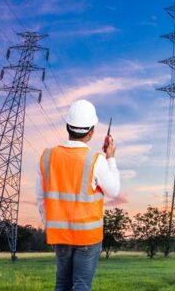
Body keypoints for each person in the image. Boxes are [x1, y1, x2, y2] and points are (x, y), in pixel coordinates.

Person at [36, 99, 120, 291]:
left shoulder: (47, 157)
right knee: (81, 286)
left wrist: (51, 228)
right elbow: (114, 190)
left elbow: (41, 200)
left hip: (60, 235)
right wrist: (110, 157)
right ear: (91, 132)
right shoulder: (96, 160)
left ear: (67, 126)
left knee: (62, 284)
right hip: (87, 238)